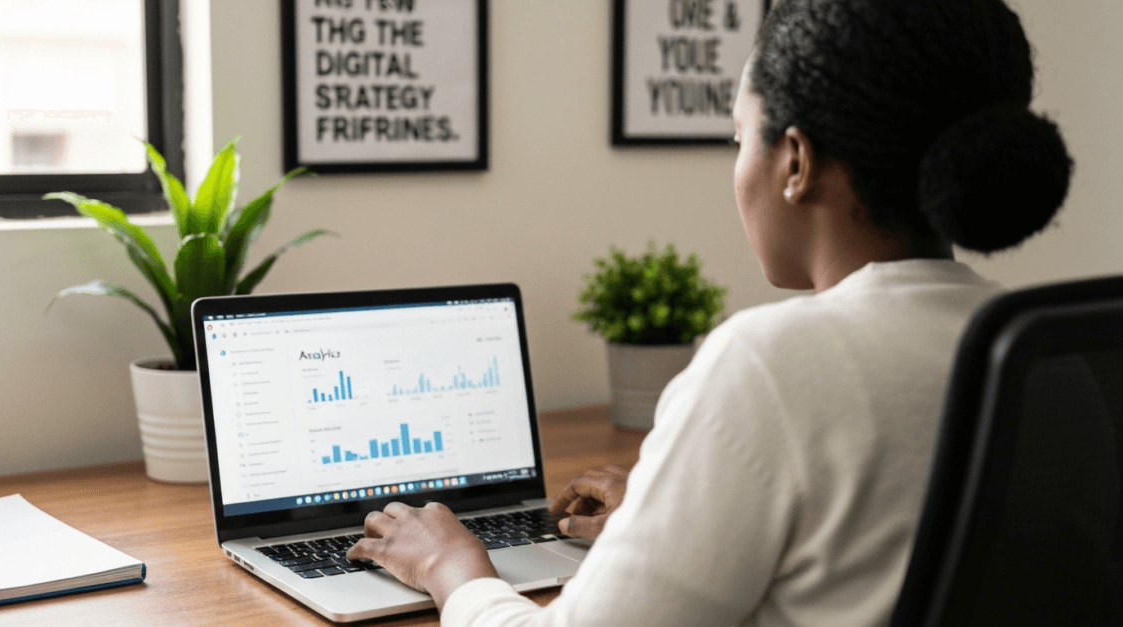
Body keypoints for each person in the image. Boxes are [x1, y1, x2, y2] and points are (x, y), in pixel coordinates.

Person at [346, 0, 1074, 624]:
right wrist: (667, 519)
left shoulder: (770, 364)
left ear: (795, 161)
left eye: (738, 137)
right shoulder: (1046, 350)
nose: (737, 165)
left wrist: (453, 567)